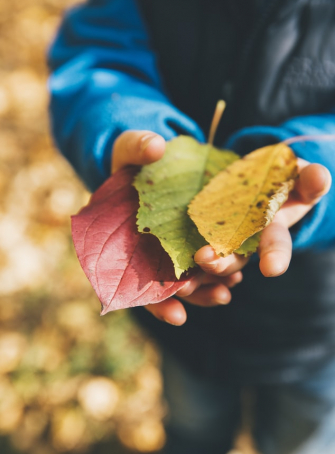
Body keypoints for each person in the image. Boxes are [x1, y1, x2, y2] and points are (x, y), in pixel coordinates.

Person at [48, 1, 335, 453]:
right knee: (192, 428)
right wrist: (131, 129)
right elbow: (95, 57)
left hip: (313, 329)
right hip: (190, 329)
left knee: (302, 440)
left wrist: (310, 175)